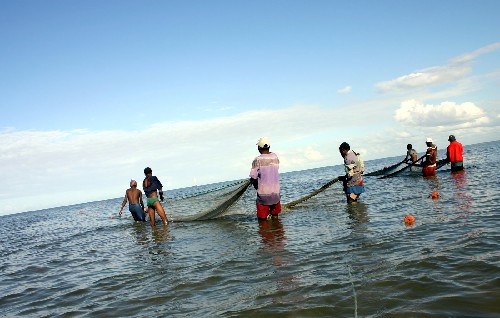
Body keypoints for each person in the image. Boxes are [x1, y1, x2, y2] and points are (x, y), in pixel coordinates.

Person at [249, 137, 281, 220]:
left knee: (262, 220)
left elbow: (253, 176)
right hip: (276, 194)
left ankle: (266, 232)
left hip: (263, 196)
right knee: (275, 217)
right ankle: (277, 232)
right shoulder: (275, 157)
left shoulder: (257, 160)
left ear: (259, 148)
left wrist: (257, 187)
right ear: (269, 147)